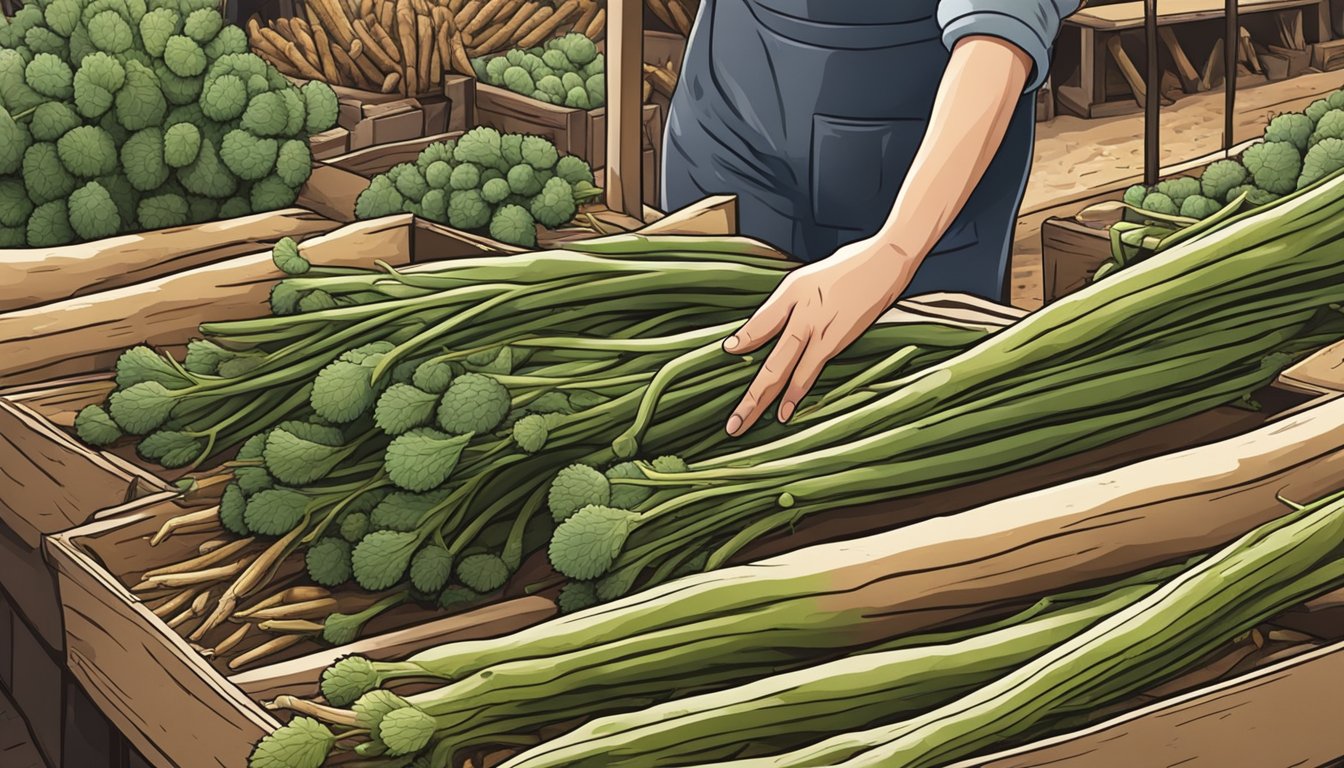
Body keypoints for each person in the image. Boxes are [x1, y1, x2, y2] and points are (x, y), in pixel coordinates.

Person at [660, 0, 1080, 436]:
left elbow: (1001, 24)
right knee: (695, 382)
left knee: (893, 423)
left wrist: (895, 249)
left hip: (917, 156)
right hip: (728, 104)